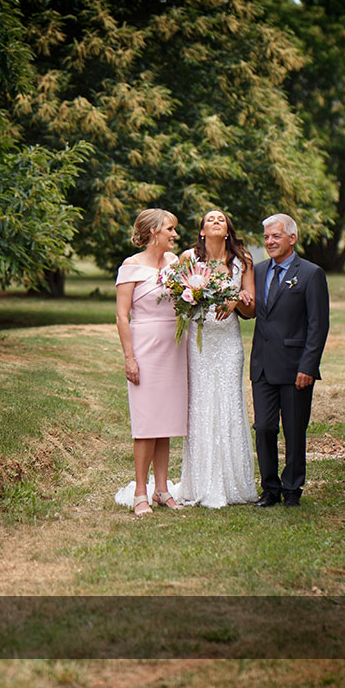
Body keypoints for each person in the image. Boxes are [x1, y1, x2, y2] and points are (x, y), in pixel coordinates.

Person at [173, 209, 258, 508]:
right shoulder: (188, 258)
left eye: (220, 219)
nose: (215, 222)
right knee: (201, 404)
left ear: (227, 231)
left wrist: (236, 301)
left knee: (229, 402)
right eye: (209, 219)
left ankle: (233, 483)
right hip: (199, 340)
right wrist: (193, 296)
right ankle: (200, 481)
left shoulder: (242, 261)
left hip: (228, 341)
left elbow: (251, 309)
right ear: (202, 231)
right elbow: (176, 300)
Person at [250, 213, 329, 508]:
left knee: (295, 431)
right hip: (262, 366)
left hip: (296, 367)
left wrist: (308, 366)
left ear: (292, 239)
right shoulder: (257, 271)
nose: (270, 241)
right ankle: (270, 488)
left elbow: (318, 325)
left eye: (276, 236)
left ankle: (293, 488)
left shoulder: (311, 273)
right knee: (264, 427)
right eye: (266, 237)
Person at [113, 209, 186, 516]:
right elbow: (122, 316)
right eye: (170, 229)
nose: (175, 235)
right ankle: (140, 491)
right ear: (154, 231)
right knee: (146, 424)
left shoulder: (175, 263)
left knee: (165, 421)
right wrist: (130, 358)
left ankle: (162, 489)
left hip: (174, 347)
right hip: (145, 348)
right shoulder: (131, 266)